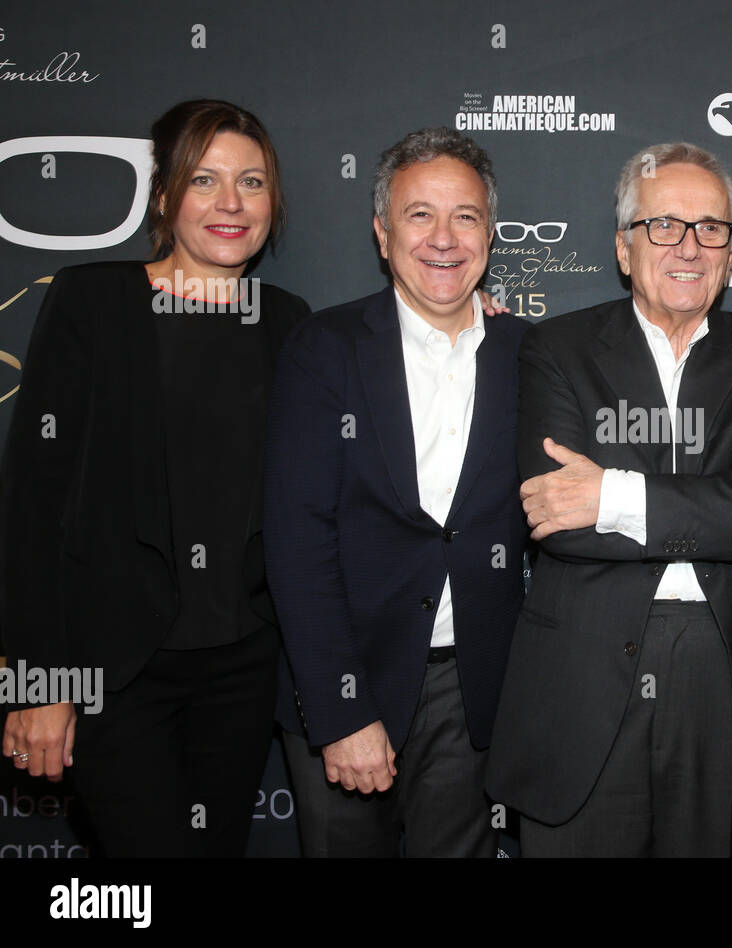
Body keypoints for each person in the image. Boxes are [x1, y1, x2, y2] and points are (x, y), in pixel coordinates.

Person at [485, 142, 732, 857]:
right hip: (582, 672)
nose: (689, 247)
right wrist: (712, 507)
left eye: (711, 228)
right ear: (622, 246)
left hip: (728, 669)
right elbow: (555, 517)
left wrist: (611, 493)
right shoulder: (556, 349)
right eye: (664, 225)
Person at [0, 99, 309, 856]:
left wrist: (469, 323)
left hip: (240, 668)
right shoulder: (94, 303)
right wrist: (37, 682)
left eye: (252, 182)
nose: (231, 203)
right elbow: (32, 503)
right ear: (164, 197)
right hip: (112, 671)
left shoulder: (287, 322)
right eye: (204, 180)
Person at [263, 127, 529, 857]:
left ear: (491, 233)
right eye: (419, 215)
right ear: (383, 234)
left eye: (466, 217)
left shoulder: (529, 353)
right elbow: (296, 541)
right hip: (348, 675)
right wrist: (341, 710)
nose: (444, 239)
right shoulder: (325, 349)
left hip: (471, 689)